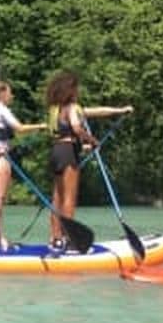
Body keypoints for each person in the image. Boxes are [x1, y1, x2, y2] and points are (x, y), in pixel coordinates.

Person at [45, 71, 132, 250]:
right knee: (69, 198)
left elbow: (92, 113)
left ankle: (55, 238)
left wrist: (119, 110)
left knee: (56, 198)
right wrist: (92, 141)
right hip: (68, 154)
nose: (78, 92)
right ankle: (69, 240)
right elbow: (76, 128)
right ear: (70, 90)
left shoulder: (56, 109)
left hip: (56, 152)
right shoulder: (72, 108)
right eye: (76, 89)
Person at [0, 81, 49, 251]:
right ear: (2, 94)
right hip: (0, 158)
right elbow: (19, 128)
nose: (11, 96)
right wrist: (41, 126)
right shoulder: (1, 110)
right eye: (10, 93)